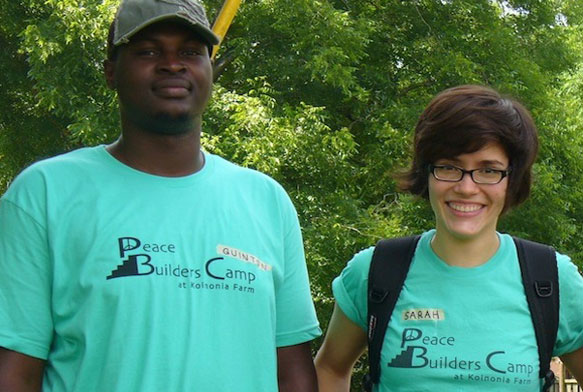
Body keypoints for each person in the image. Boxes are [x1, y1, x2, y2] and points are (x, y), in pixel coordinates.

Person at [0, 0, 321, 390]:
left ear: (210, 70)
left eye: (190, 51)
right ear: (110, 72)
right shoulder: (45, 194)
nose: (173, 64)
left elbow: (293, 370)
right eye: (149, 51)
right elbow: (15, 368)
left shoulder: (267, 201)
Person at [315, 85, 583, 391]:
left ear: (513, 179)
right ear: (426, 172)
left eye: (488, 170)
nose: (467, 188)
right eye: (449, 167)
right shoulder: (376, 271)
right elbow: (330, 369)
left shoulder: (552, 280)